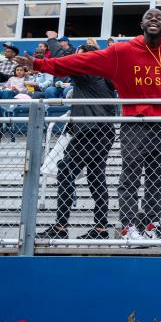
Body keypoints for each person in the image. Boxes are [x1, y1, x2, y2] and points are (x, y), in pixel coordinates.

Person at [18, 7, 161, 240]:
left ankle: (152, 226)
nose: (153, 19)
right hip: (134, 123)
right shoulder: (121, 51)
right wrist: (40, 65)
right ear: (141, 25)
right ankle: (129, 228)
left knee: (156, 179)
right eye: (148, 16)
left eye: (158, 17)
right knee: (130, 176)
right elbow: (79, 61)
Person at [34, 44, 117, 240]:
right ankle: (100, 228)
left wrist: (50, 50)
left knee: (67, 171)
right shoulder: (98, 76)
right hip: (96, 131)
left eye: (80, 57)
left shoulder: (89, 73)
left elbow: (63, 65)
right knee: (95, 175)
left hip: (91, 131)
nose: (76, 61)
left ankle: (62, 226)